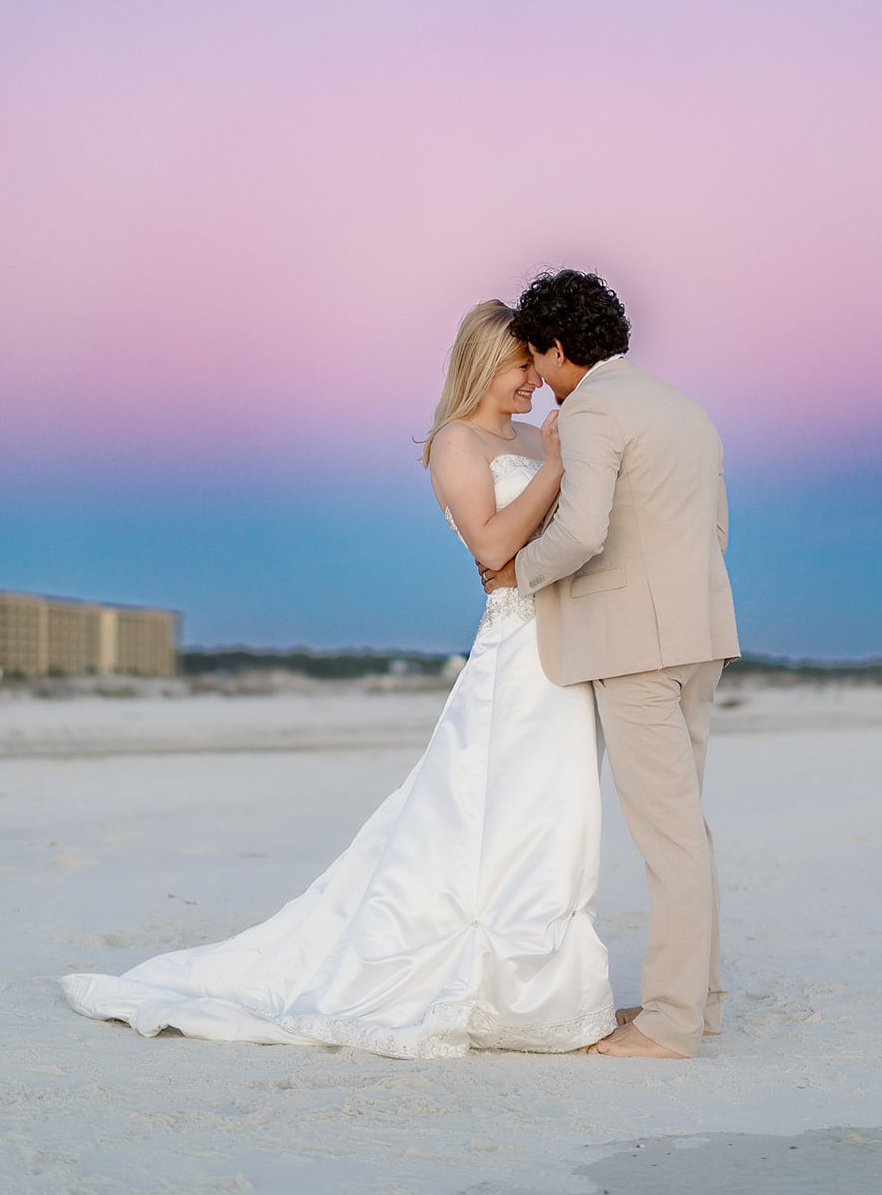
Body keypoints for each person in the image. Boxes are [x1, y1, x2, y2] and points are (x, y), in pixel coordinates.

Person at [60, 300, 615, 1059]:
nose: (534, 382)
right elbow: (491, 548)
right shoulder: (457, 442)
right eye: (523, 365)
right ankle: (482, 985)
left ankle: (533, 991)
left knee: (556, 816)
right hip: (515, 645)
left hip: (570, 643)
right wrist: (554, 467)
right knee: (491, 813)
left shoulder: (528, 434)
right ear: (487, 362)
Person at [480, 270, 740, 1060]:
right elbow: (715, 527)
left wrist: (515, 576)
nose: (540, 377)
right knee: (683, 828)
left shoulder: (591, 408)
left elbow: (583, 530)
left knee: (669, 839)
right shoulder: (679, 406)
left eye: (536, 356)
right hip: (698, 634)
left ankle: (668, 1024)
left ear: (558, 348)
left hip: (636, 648)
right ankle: (699, 1003)